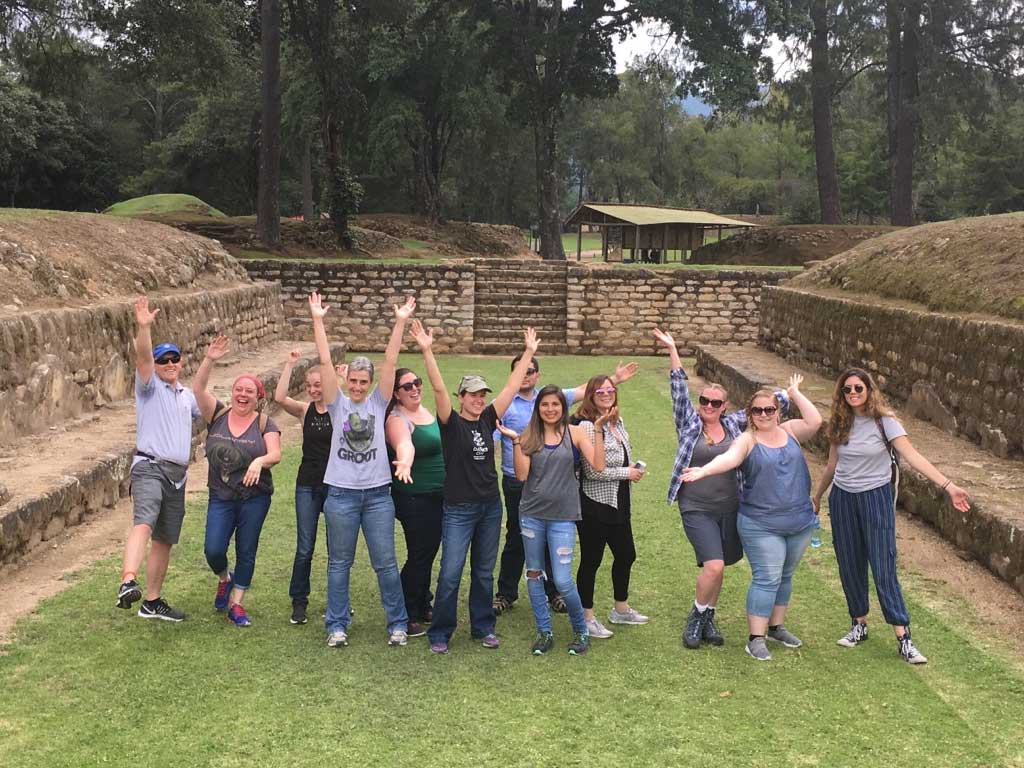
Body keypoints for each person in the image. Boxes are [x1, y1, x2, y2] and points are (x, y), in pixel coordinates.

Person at [812, 367, 971, 664]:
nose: (853, 394)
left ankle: (903, 636)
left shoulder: (885, 422)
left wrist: (949, 486)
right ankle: (858, 623)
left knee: (883, 564)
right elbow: (832, 465)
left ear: (869, 390)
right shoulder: (839, 423)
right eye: (847, 390)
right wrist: (818, 495)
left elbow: (913, 457)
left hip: (875, 496)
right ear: (841, 394)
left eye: (858, 388)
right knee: (849, 561)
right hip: (843, 498)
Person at [654, 327, 790, 649]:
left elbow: (769, 404)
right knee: (713, 564)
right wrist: (674, 348)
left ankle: (709, 617)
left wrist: (791, 393)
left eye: (715, 402)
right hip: (696, 507)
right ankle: (696, 617)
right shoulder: (689, 423)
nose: (709, 406)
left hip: (730, 507)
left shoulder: (734, 425)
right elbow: (677, 386)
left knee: (720, 566)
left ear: (725, 406)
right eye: (705, 401)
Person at [411, 319, 538, 654]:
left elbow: (511, 388)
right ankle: (440, 631)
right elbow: (438, 390)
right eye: (474, 395)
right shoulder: (450, 424)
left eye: (483, 394)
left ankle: (483, 627)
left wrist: (528, 352)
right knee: (451, 573)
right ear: (462, 397)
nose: (480, 399)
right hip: (458, 509)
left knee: (483, 572)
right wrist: (427, 349)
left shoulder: (487, 419)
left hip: (489, 507)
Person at [681, 376, 821, 662]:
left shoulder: (791, 431)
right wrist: (703, 471)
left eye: (769, 409)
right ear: (750, 414)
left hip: (799, 521)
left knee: (785, 576)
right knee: (767, 577)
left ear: (778, 411)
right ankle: (756, 638)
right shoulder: (747, 439)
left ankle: (776, 627)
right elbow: (729, 460)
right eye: (757, 410)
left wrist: (794, 393)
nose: (764, 415)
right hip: (761, 522)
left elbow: (816, 421)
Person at [493, 356, 637, 617]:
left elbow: (587, 391)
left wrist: (612, 381)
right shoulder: (506, 406)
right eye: (520, 371)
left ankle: (554, 593)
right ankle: (506, 593)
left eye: (530, 371)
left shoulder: (550, 400)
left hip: (558, 481)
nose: (526, 375)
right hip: (518, 481)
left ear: (537, 374)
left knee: (553, 538)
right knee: (517, 538)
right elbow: (492, 438)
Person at [309, 292, 414, 648]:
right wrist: (319, 321)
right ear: (346, 380)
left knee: (385, 562)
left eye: (362, 382)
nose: (356, 386)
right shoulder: (335, 403)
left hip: (378, 495)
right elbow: (324, 360)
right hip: (340, 495)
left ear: (369, 384)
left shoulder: (379, 401)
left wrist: (399, 321)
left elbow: (391, 359)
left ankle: (397, 623)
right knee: (340, 564)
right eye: (352, 380)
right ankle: (336, 625)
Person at [496, 386, 612, 655]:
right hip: (532, 516)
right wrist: (515, 442)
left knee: (562, 581)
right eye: (545, 404)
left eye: (555, 404)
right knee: (534, 575)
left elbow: (598, 465)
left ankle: (581, 631)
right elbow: (522, 476)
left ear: (563, 407)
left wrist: (598, 429)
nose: (550, 409)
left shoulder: (575, 433)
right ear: (538, 408)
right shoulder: (529, 435)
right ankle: (544, 632)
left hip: (563, 518)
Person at [116, 296, 201, 622]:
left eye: (173, 359)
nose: (168, 364)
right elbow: (141, 359)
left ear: (180, 363)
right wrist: (144, 327)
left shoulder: (185, 396)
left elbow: (206, 406)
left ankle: (152, 601)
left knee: (164, 539)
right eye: (162, 360)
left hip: (178, 475)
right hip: (150, 466)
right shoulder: (148, 388)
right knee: (144, 521)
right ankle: (128, 581)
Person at [193, 336, 282, 628]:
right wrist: (210, 359)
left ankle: (237, 604)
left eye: (249, 392)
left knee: (247, 549)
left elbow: (276, 453)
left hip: (255, 497)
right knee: (213, 549)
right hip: (221, 495)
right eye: (238, 390)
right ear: (232, 393)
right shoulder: (216, 414)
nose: (243, 395)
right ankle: (224, 578)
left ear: (258, 398)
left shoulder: (264, 423)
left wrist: (259, 461)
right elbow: (198, 388)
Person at [571, 375, 648, 640]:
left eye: (610, 390)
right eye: (600, 391)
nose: (606, 394)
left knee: (626, 555)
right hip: (595, 504)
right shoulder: (587, 426)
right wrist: (627, 472)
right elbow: (594, 471)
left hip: (618, 501)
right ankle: (586, 617)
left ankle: (621, 609)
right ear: (590, 395)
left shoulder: (617, 420)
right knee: (591, 561)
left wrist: (631, 470)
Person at [273, 350, 344, 626]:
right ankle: (299, 602)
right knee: (305, 547)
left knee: (336, 549)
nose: (314, 390)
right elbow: (279, 398)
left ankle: (337, 603)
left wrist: (340, 377)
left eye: (319, 384)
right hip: (307, 485)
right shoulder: (305, 410)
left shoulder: (340, 408)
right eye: (310, 385)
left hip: (336, 484)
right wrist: (289, 363)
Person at [385, 366, 446, 638]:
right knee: (420, 554)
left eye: (416, 383)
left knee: (427, 551)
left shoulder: (425, 412)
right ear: (396, 394)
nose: (414, 389)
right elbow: (404, 444)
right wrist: (405, 461)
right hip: (414, 497)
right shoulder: (396, 419)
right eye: (407, 386)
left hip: (438, 495)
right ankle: (406, 610)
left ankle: (423, 602)